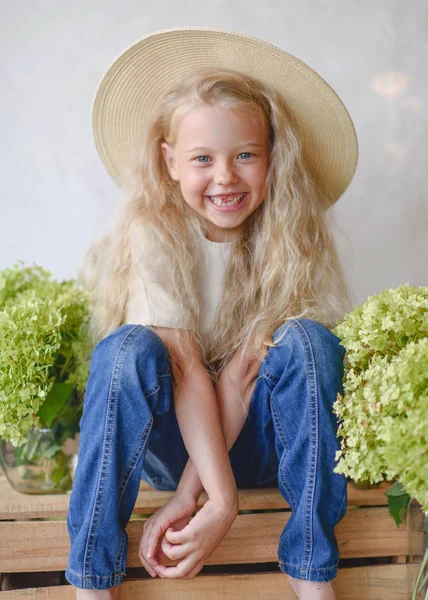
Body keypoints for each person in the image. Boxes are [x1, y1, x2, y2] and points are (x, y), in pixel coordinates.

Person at [65, 26, 358, 600]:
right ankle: (93, 582)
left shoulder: (286, 237)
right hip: (169, 445)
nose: (225, 176)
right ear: (169, 162)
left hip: (260, 446)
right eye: (203, 158)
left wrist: (201, 495)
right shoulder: (157, 232)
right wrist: (208, 498)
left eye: (245, 155)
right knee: (127, 349)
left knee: (309, 342)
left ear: (274, 158)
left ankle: (310, 569)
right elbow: (186, 370)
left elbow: (244, 377)